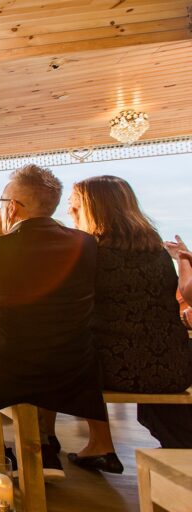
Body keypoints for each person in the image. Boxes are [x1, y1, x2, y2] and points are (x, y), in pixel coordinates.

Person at [0, 164, 107, 479]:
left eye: (2, 202)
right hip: (73, 361)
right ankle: (42, 447)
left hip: (8, 362)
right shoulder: (86, 244)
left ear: (13, 208)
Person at [60, 176, 192, 471]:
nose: (70, 212)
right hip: (174, 368)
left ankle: (91, 443)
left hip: (114, 370)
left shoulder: (87, 251)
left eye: (75, 206)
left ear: (95, 209)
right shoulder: (156, 251)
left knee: (67, 351)